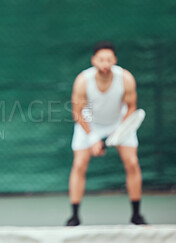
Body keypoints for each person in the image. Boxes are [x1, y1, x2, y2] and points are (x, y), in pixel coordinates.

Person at [66, 41, 147, 226]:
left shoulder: (125, 78)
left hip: (119, 123)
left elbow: (131, 107)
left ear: (115, 60)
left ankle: (136, 215)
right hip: (89, 123)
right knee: (78, 165)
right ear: (94, 60)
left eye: (109, 59)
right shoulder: (82, 80)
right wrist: (93, 138)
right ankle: (74, 217)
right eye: (101, 59)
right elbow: (77, 112)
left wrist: (118, 132)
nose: (105, 63)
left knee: (133, 163)